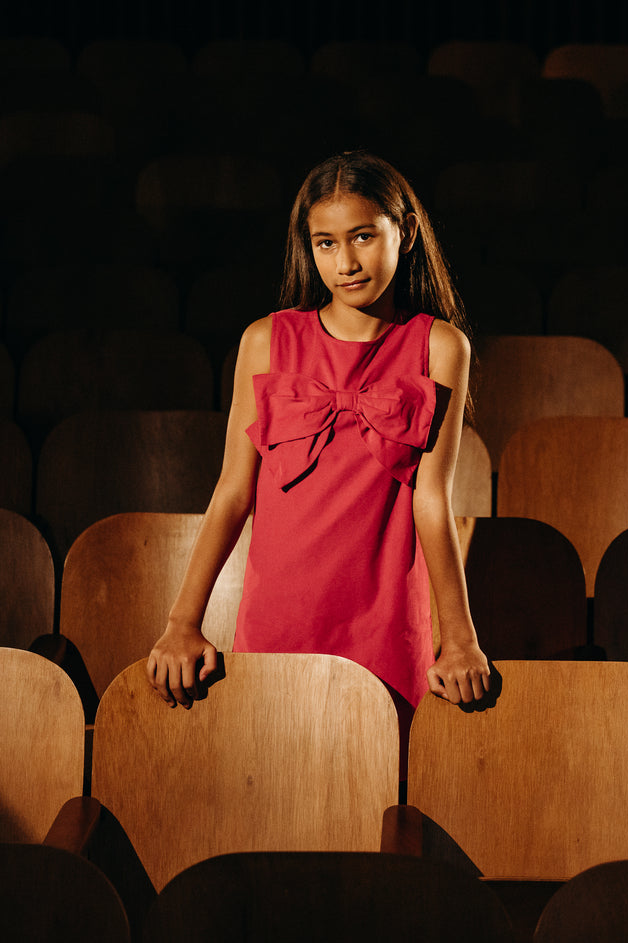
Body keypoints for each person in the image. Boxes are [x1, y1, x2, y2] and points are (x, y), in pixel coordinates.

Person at [146, 150, 490, 717]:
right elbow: (233, 492)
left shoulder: (441, 346)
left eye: (361, 236)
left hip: (386, 620)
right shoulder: (265, 341)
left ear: (403, 232)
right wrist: (182, 623)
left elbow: (432, 499)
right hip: (280, 613)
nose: (345, 262)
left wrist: (459, 639)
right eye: (325, 243)